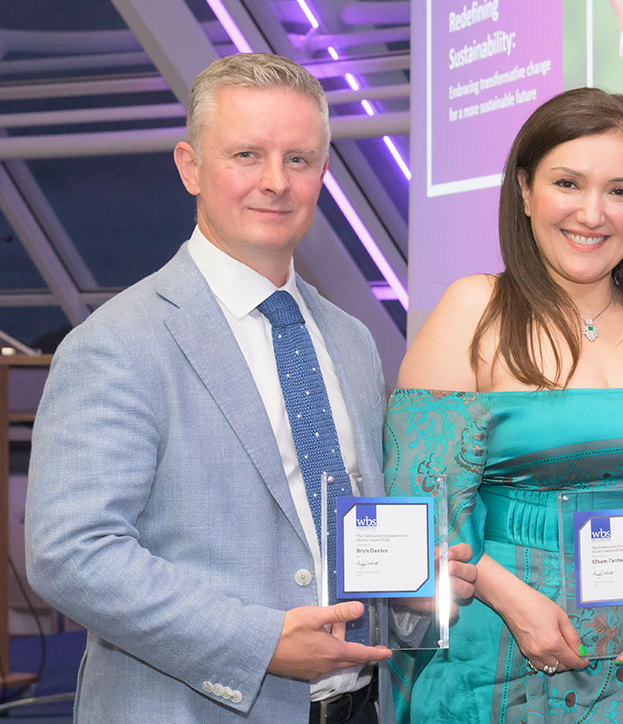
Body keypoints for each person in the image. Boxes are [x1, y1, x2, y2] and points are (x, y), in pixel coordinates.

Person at [25, 53, 475, 723]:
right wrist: (259, 642)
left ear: (323, 172)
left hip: (356, 705)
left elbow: (334, 522)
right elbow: (71, 555)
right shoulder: (117, 343)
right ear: (189, 166)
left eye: (299, 159)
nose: (275, 182)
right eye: (246, 154)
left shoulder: (350, 340)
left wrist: (404, 584)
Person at [383, 87, 623, 723]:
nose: (593, 212)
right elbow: (424, 514)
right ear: (525, 190)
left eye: (620, 190)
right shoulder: (474, 312)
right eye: (567, 183)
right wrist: (511, 599)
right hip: (506, 663)